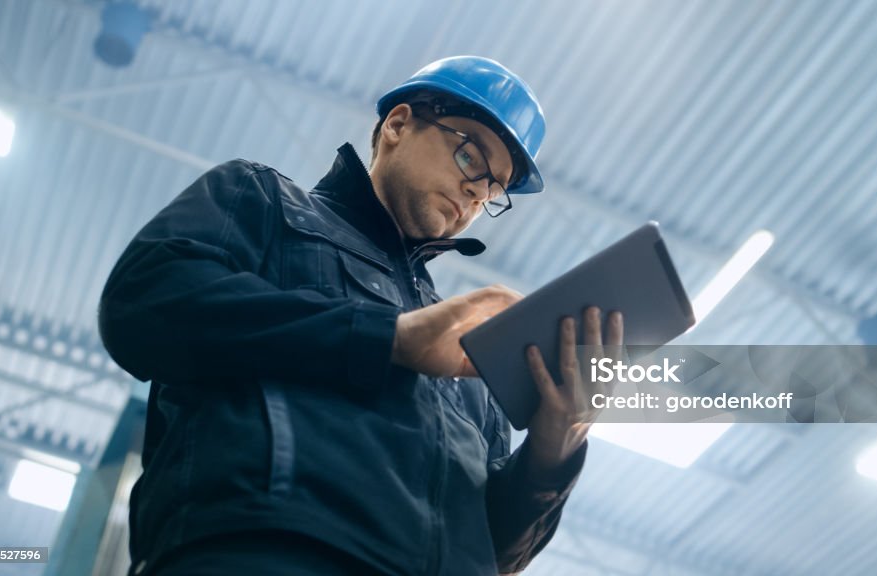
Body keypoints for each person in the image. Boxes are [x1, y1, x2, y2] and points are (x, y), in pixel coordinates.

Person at [98, 56, 623, 576]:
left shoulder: (470, 355)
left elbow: (495, 552)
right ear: (398, 124)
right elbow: (143, 302)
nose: (475, 192)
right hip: (266, 553)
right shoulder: (263, 201)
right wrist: (387, 338)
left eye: (492, 189)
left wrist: (554, 451)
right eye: (470, 158)